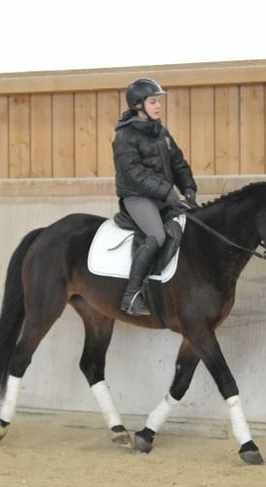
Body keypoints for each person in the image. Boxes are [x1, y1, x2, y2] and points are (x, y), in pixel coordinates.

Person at [113, 77, 198, 316]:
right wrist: (167, 192)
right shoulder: (124, 136)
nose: (158, 106)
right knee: (157, 235)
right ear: (138, 104)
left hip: (162, 196)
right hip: (137, 197)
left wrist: (188, 186)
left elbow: (178, 162)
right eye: (153, 101)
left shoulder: (161, 131)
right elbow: (133, 174)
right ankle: (130, 295)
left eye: (158, 101)